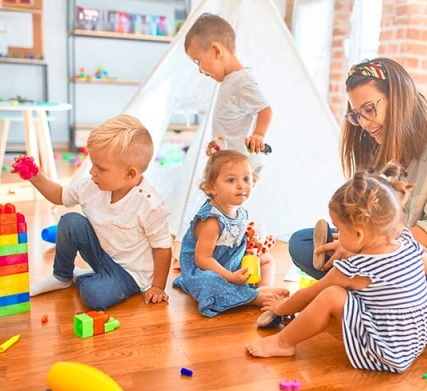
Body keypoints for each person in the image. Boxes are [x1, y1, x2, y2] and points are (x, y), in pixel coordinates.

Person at [281, 58, 427, 340]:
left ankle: (374, 299)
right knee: (301, 243)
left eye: (369, 110)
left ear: (399, 97)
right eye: (357, 115)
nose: (364, 123)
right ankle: (394, 304)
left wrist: (362, 254)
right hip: (378, 256)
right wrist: (354, 241)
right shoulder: (373, 143)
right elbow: (362, 211)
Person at [247, 164, 427, 374]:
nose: (336, 232)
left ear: (358, 234)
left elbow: (308, 294)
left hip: (385, 353)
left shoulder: (354, 268)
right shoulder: (408, 244)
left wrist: (281, 308)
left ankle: (282, 343)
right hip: (415, 341)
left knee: (331, 295)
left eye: (338, 227)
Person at [19, 115, 173, 310]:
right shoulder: (92, 185)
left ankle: (81, 276)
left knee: (95, 296)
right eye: (92, 164)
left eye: (100, 168)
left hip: (130, 274)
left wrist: (157, 287)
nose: (92, 172)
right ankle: (62, 276)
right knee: (70, 221)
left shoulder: (150, 205)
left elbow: (162, 248)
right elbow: (59, 196)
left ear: (130, 174)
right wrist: (36, 177)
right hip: (100, 254)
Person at [171, 150, 288, 317]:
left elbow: (236, 240)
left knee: (266, 260)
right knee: (209, 282)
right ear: (212, 187)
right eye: (231, 180)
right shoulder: (211, 220)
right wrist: (230, 277)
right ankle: (252, 297)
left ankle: (264, 288)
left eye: (246, 179)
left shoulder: (241, 212)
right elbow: (202, 259)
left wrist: (251, 247)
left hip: (231, 263)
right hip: (206, 270)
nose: (241, 185)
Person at [183, 13, 273, 173]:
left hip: (240, 167)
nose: (200, 70)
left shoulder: (241, 81)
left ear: (216, 51)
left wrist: (258, 135)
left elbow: (265, 110)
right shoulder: (230, 80)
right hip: (229, 162)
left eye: (198, 62)